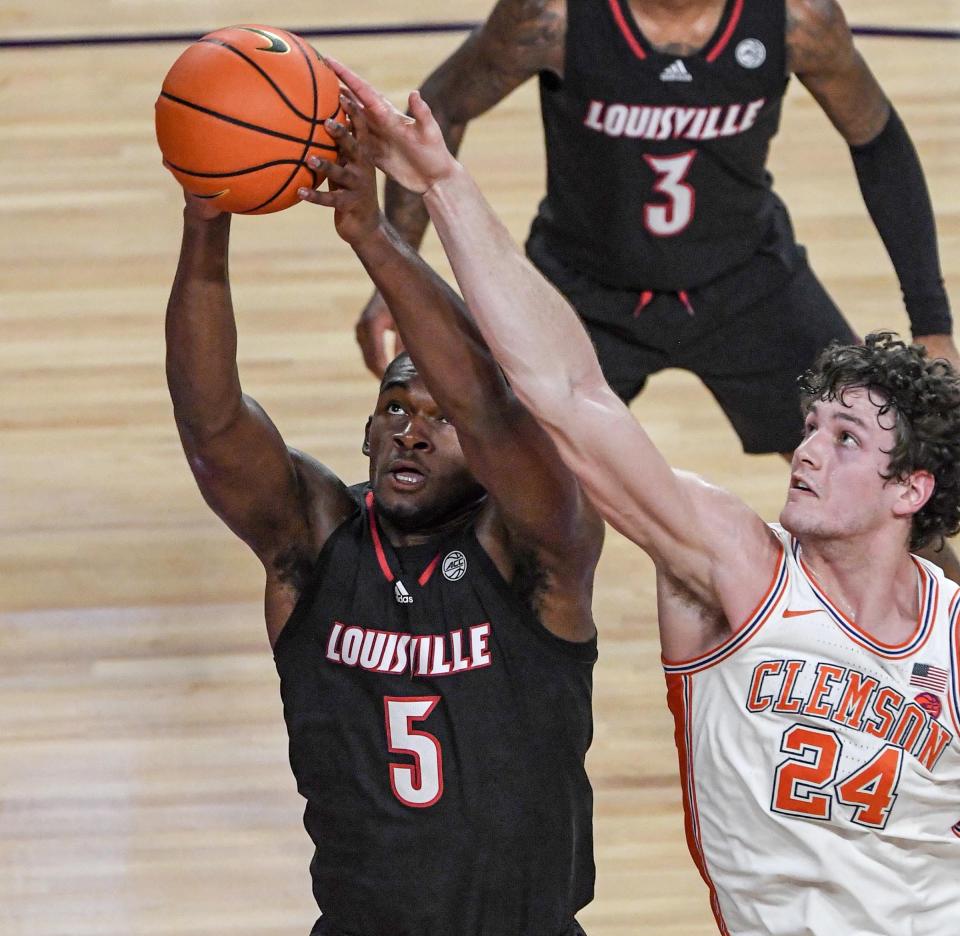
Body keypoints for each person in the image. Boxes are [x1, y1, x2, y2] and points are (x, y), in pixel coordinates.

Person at [324, 61, 960, 934]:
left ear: (910, 490)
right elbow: (568, 392)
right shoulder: (732, 568)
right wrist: (443, 185)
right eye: (813, 426)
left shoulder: (954, 640)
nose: (805, 448)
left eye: (844, 439)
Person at [165, 120, 604, 933]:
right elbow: (211, 427)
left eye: (439, 420)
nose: (410, 430)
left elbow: (492, 404)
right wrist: (206, 221)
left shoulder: (537, 552)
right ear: (366, 436)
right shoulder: (315, 544)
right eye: (394, 408)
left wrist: (371, 231)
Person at [354, 0, 960, 581]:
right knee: (480, 491)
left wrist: (932, 323)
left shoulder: (797, 19)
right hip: (577, 296)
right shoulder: (551, 16)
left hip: (748, 285)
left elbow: (875, 138)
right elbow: (442, 106)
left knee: (892, 501)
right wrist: (397, 270)